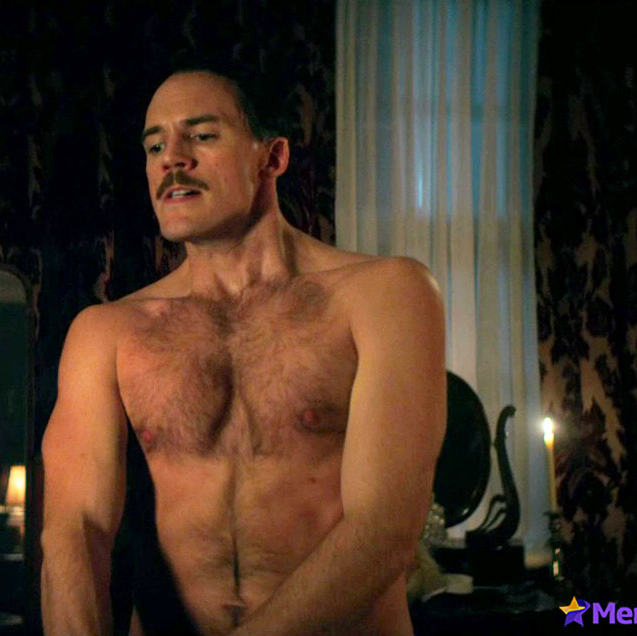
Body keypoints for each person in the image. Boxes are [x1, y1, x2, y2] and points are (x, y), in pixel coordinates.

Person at [40, 65, 447, 636]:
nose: (171, 159)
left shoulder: (386, 295)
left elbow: (384, 528)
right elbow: (74, 529)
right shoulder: (106, 332)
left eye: (202, 135)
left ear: (272, 158)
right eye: (154, 145)